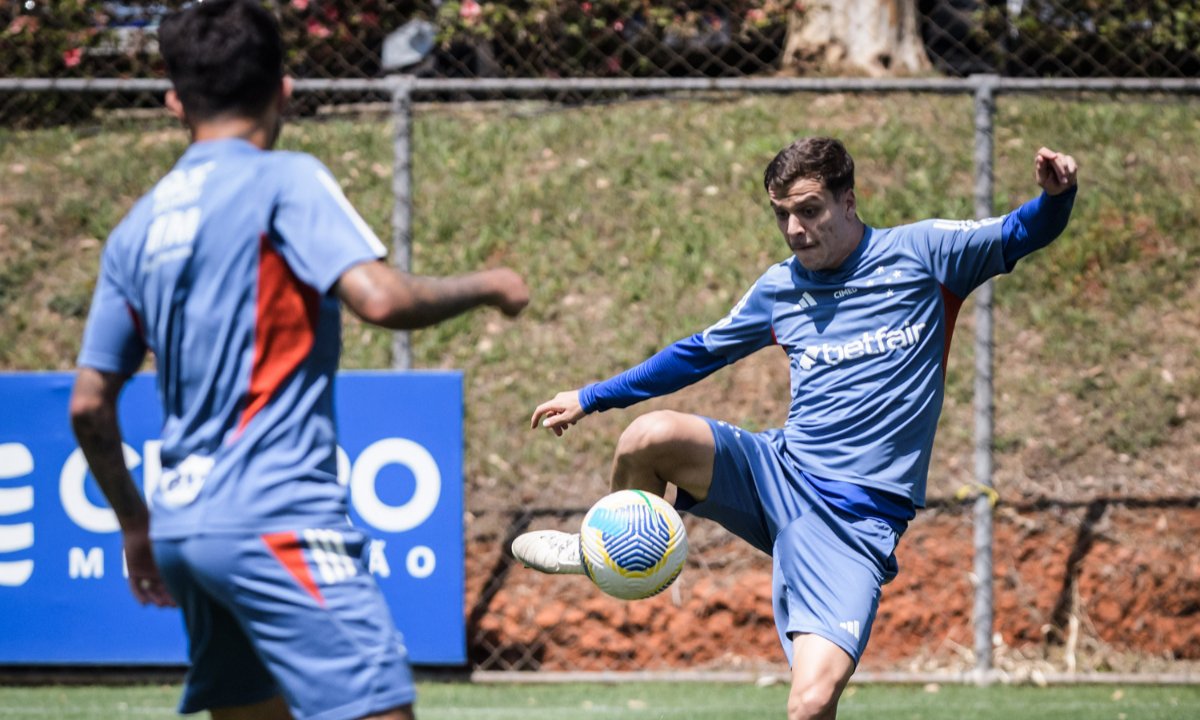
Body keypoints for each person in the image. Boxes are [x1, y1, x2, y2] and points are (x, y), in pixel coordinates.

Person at [68, 2, 529, 719]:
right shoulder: (284, 179)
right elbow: (379, 298)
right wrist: (489, 286)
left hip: (183, 528)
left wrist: (135, 526)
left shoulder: (137, 225)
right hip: (276, 517)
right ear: (283, 89)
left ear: (173, 101)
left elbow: (90, 406)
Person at [513, 136, 1077, 719]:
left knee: (810, 705)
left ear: (849, 201)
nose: (794, 229)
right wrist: (592, 396)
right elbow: (697, 353)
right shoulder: (781, 287)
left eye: (810, 210)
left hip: (854, 520)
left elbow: (1018, 232)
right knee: (647, 438)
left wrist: (1056, 198)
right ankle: (612, 549)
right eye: (782, 214)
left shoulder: (926, 254)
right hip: (777, 472)